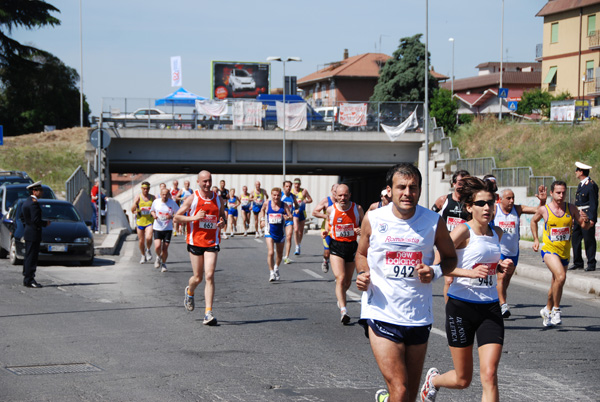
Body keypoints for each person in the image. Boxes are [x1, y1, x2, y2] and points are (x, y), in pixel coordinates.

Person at [356, 163, 457, 402]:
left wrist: (434, 272)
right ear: (390, 190)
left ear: (420, 190)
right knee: (399, 390)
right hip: (381, 311)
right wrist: (363, 274)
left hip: (418, 315)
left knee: (409, 395)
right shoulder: (373, 219)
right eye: (401, 187)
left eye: (413, 187)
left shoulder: (433, 221)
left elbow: (451, 258)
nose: (407, 193)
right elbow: (361, 254)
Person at [420, 176, 515, 402]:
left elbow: (489, 267)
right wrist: (469, 273)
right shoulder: (463, 232)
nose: (487, 208)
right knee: (463, 380)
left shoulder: (497, 233)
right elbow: (438, 264)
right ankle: (433, 381)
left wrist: (502, 267)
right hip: (461, 308)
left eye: (490, 203)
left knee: (490, 375)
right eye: (481, 203)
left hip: (490, 309)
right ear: (469, 207)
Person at [530, 180, 592, 327]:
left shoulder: (571, 208)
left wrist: (587, 220)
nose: (561, 195)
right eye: (558, 192)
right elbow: (533, 221)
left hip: (564, 251)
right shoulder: (545, 209)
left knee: (556, 283)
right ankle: (556, 310)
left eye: (563, 192)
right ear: (552, 193)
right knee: (561, 276)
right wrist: (536, 240)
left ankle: (547, 309)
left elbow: (584, 226)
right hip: (549, 250)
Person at [174, 170, 226, 326]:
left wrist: (223, 223)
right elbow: (177, 216)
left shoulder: (218, 199)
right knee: (198, 278)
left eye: (209, 181)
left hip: (212, 241)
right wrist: (194, 218)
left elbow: (223, 217)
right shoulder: (193, 198)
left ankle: (208, 312)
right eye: (204, 181)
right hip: (195, 241)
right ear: (198, 182)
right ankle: (189, 291)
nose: (208, 184)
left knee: (209, 275)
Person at [494, 186, 547, 318]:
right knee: (501, 277)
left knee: (506, 280)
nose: (511, 201)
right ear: (500, 199)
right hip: (499, 251)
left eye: (513, 198)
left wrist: (542, 201)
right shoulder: (495, 210)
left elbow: (538, 210)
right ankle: (503, 304)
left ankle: (498, 301)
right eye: (508, 198)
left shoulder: (517, 209)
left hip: (514, 252)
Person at [323, 184, 364, 324]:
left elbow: (366, 226)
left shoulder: (357, 209)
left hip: (352, 247)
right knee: (340, 278)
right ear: (336, 196)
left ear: (350, 195)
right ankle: (344, 311)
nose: (342, 198)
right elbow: (328, 225)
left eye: (345, 195)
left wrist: (361, 231)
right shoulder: (331, 209)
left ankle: (340, 297)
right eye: (340, 195)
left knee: (347, 281)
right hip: (336, 247)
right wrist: (325, 232)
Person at [432, 169, 470, 302]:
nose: (462, 186)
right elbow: (431, 215)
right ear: (453, 184)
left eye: (465, 183)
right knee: (449, 279)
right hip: (447, 246)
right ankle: (449, 310)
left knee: (464, 281)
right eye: (460, 183)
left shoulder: (470, 202)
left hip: (465, 247)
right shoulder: (444, 200)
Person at [20, 181, 50, 288]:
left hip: (29, 232)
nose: (41, 192)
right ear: (34, 191)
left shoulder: (26, 202)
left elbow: (22, 217)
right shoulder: (33, 203)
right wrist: (45, 223)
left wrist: (27, 226)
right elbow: (36, 220)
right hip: (33, 233)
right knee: (32, 257)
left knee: (28, 256)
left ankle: (27, 277)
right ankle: (29, 279)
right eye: (40, 190)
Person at [569, 161, 598, 272]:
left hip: (586, 215)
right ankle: (578, 262)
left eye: (577, 170)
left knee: (589, 240)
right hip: (578, 215)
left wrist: (592, 219)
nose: (575, 172)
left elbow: (594, 203)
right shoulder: (581, 184)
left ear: (581, 172)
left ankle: (591, 263)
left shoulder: (591, 185)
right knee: (575, 238)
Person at [259, 187, 292, 282]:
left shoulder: (284, 205)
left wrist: (287, 218)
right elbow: (262, 210)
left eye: (278, 195)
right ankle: (271, 272)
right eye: (274, 195)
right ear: (271, 195)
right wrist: (262, 220)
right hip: (269, 231)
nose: (276, 197)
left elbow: (290, 216)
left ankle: (276, 267)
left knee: (279, 253)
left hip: (280, 232)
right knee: (271, 252)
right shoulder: (267, 203)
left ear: (280, 195)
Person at [150, 187, 179, 272]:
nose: (164, 196)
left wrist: (172, 217)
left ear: (169, 195)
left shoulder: (172, 203)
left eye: (166, 194)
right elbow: (152, 211)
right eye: (163, 194)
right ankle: (158, 257)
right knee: (158, 246)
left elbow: (178, 213)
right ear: (160, 194)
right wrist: (154, 215)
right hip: (157, 227)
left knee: (165, 249)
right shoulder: (156, 202)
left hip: (167, 229)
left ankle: (164, 263)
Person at [312, 184, 338, 272]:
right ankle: (325, 260)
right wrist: (326, 216)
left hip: (338, 230)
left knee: (338, 253)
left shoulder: (343, 201)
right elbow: (314, 212)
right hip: (327, 230)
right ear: (331, 191)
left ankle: (338, 273)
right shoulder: (326, 201)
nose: (336, 194)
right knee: (327, 252)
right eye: (335, 191)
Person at [131, 181, 156, 264]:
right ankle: (142, 255)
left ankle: (148, 250)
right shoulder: (138, 197)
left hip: (149, 221)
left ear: (149, 189)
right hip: (140, 221)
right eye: (144, 189)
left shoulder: (153, 197)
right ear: (141, 188)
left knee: (149, 237)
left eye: (147, 189)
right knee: (141, 241)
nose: (145, 190)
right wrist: (136, 203)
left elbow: (157, 208)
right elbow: (132, 210)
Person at [291, 178, 313, 255]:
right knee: (296, 229)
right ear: (294, 184)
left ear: (300, 184)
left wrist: (306, 201)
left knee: (300, 232)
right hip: (295, 212)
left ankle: (299, 244)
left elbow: (310, 200)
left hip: (302, 212)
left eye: (298, 184)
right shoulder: (291, 192)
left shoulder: (304, 191)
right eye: (295, 184)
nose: (297, 185)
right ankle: (296, 246)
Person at [281, 180, 299, 264]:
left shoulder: (293, 196)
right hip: (280, 219)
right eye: (286, 186)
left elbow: (297, 205)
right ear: (283, 187)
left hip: (289, 219)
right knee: (280, 238)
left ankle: (286, 256)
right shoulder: (280, 195)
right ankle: (279, 253)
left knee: (289, 237)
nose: (288, 188)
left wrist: (296, 209)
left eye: (289, 186)